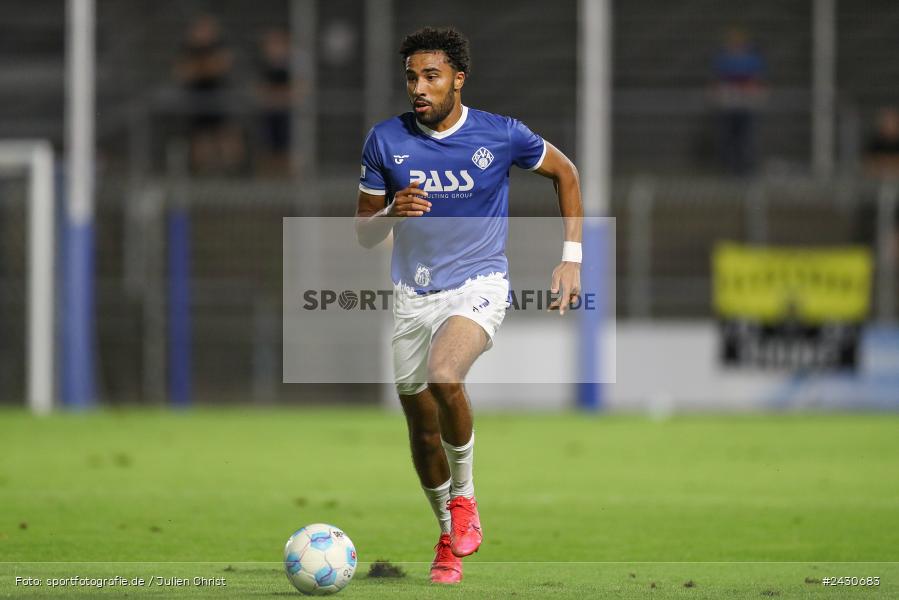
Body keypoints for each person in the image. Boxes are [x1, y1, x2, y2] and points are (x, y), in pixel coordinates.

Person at [354, 27, 583, 584]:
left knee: (444, 374)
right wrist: (390, 216)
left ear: (458, 79)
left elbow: (566, 173)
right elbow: (362, 233)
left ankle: (467, 500)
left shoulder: (500, 135)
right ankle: (447, 538)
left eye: (431, 76)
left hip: (478, 284)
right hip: (412, 296)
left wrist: (571, 257)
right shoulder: (384, 141)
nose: (419, 88)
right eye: (411, 77)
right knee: (422, 429)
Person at [174, 14, 244, 174]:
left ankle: (230, 174)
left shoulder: (221, 45)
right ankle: (205, 175)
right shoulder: (187, 48)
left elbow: (221, 66)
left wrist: (200, 68)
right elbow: (183, 72)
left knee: (227, 137)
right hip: (196, 100)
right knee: (201, 140)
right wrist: (206, 67)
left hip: (219, 99)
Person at [712, 28, 767, 175]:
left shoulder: (752, 60)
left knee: (746, 139)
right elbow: (718, 82)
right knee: (728, 139)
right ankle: (729, 169)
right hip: (729, 105)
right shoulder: (723, 60)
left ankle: (746, 170)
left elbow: (757, 81)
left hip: (746, 105)